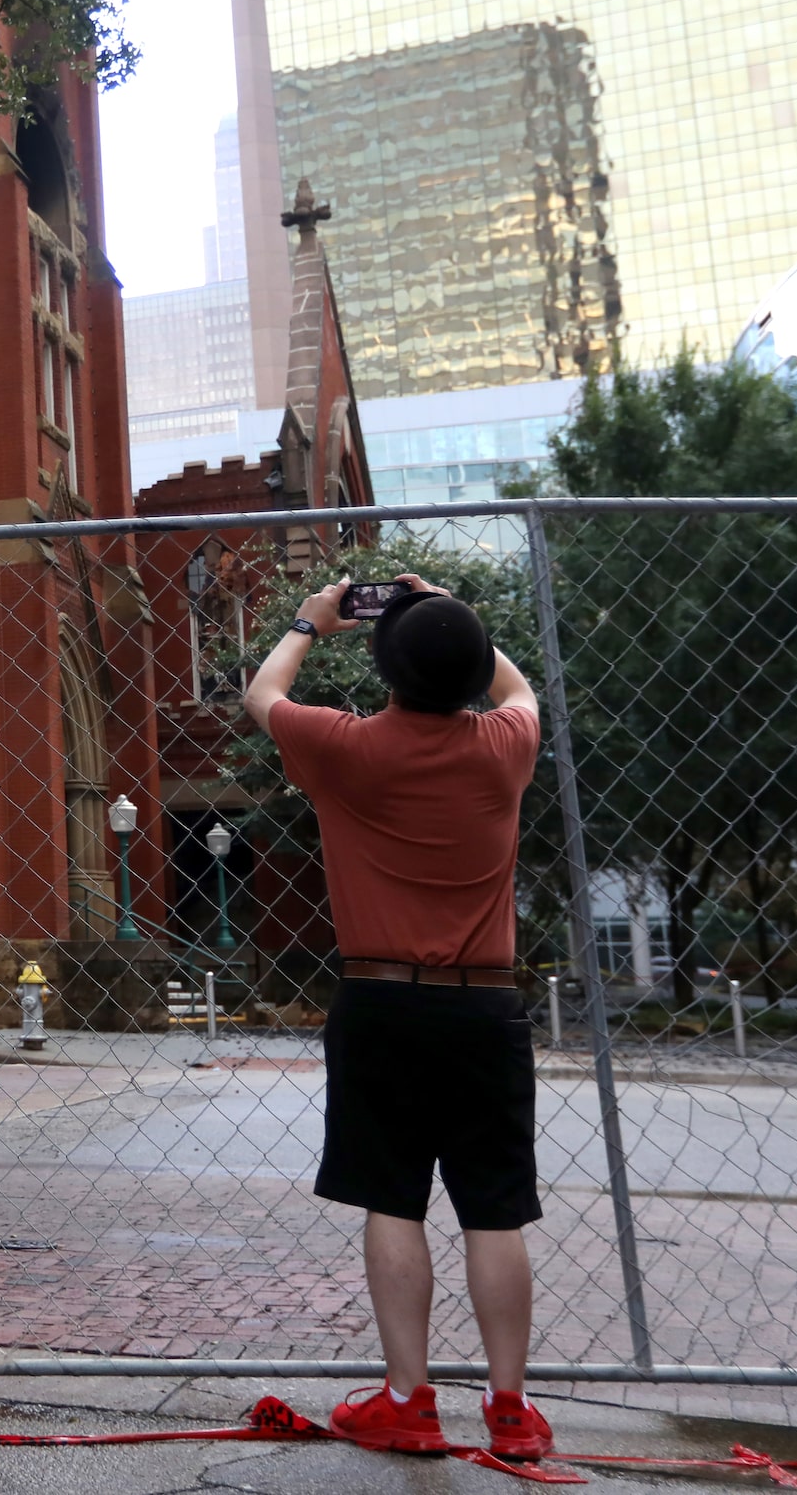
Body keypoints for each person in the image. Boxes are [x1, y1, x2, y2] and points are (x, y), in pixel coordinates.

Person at [240, 572, 555, 1462]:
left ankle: (408, 1401)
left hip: (380, 1001)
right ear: (468, 675)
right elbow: (516, 687)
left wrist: (311, 620)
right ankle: (510, 1411)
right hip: (487, 1008)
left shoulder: (348, 748)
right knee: (495, 1210)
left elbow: (262, 692)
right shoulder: (505, 746)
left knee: (393, 1199)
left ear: (383, 671)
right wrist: (450, 611)